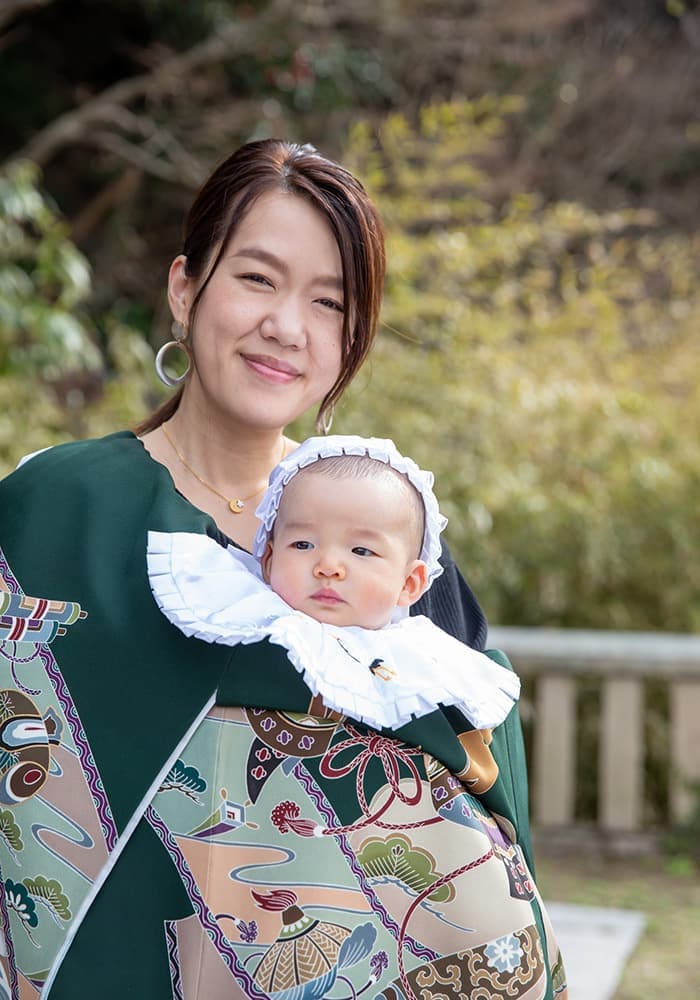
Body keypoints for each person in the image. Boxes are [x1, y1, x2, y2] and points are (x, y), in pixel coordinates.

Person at [0, 139, 567, 998]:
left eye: (328, 302)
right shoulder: (59, 506)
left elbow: (486, 779)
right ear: (185, 288)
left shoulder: (383, 530)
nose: (286, 327)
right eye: (257, 279)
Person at [147, 435, 523, 734]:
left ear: (410, 582)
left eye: (361, 550)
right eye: (303, 544)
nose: (328, 566)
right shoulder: (241, 620)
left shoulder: (426, 662)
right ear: (268, 559)